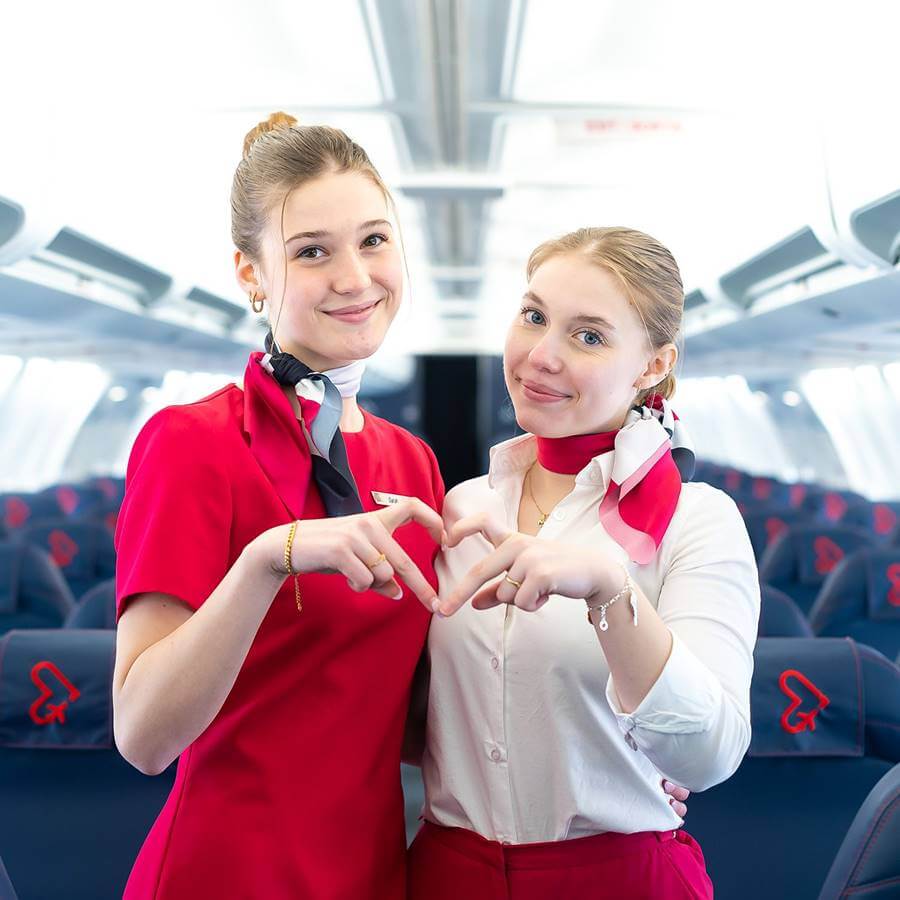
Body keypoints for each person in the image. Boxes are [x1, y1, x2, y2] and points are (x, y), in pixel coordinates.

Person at [111, 113, 447, 900]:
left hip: (368, 870)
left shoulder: (412, 461)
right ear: (251, 274)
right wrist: (272, 555)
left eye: (373, 240)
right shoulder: (191, 444)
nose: (356, 277)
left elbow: (399, 714)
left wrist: (617, 765)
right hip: (227, 871)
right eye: (312, 252)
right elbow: (144, 735)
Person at [409, 227, 760, 899]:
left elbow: (708, 757)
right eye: (534, 316)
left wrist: (609, 590)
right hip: (447, 875)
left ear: (653, 365)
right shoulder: (463, 506)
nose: (540, 356)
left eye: (588, 336)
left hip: (618, 878)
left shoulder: (697, 521)